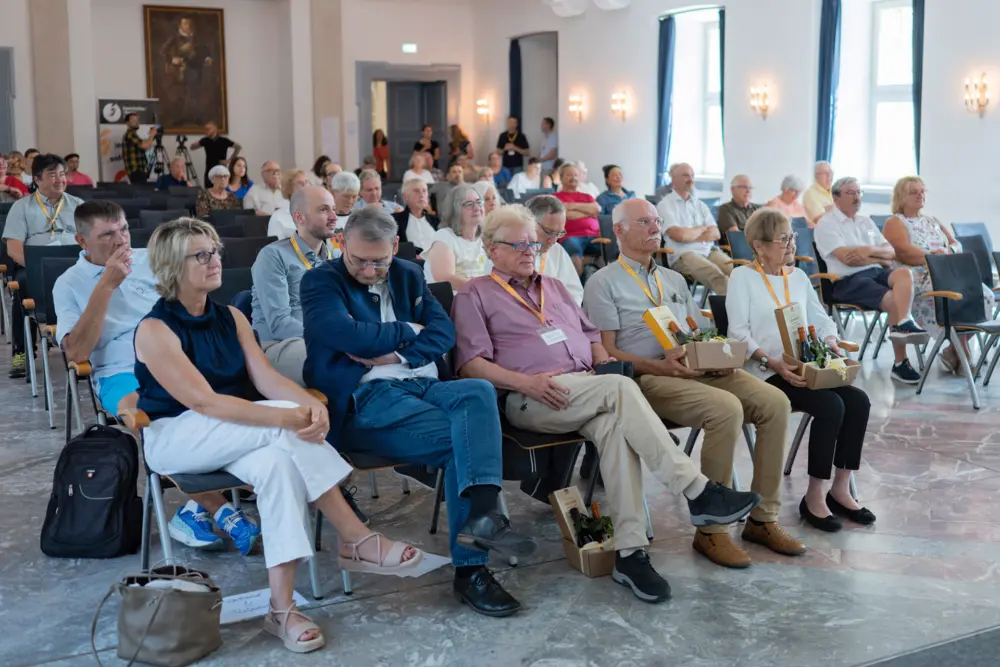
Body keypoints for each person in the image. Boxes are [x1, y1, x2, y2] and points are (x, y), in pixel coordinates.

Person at [136, 217, 421, 653]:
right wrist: (290, 417)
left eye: (215, 250)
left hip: (243, 432)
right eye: (202, 254)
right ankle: (356, 538)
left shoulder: (231, 317)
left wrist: (312, 407)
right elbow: (204, 404)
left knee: (278, 464)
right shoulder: (154, 329)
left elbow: (267, 379)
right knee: (282, 429)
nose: (215, 260)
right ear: (173, 266)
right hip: (176, 436)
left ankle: (281, 608)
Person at [455, 205, 763, 600]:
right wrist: (525, 383)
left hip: (586, 387)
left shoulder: (554, 287)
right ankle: (697, 491)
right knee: (619, 388)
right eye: (517, 244)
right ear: (491, 249)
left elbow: (592, 336)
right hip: (531, 397)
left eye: (532, 242)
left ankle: (630, 555)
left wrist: (601, 359)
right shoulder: (475, 293)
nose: (528, 250)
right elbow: (470, 364)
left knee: (616, 428)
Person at [300, 206, 537, 618]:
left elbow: (444, 332)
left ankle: (481, 513)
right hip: (366, 400)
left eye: (380, 261)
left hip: (425, 383)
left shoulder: (409, 273)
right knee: (467, 442)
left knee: (478, 390)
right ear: (342, 244)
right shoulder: (321, 280)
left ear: (395, 246)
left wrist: (393, 352)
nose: (370, 270)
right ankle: (471, 570)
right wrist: (410, 332)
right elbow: (342, 333)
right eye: (359, 260)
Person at [583, 198, 801, 568]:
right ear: (618, 230)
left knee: (775, 403)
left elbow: (695, 330)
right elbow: (606, 352)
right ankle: (711, 532)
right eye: (644, 222)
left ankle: (764, 519)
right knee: (725, 408)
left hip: (696, 368)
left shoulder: (674, 278)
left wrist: (718, 352)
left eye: (657, 221)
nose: (655, 228)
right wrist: (659, 366)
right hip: (647, 378)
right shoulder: (602, 282)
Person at [54, 201, 261, 552]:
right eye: (107, 235)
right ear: (82, 240)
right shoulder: (69, 284)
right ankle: (223, 510)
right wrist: (105, 286)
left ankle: (193, 509)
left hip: (180, 356)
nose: (120, 240)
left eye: (122, 229)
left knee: (231, 401)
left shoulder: (149, 259)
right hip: (119, 371)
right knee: (155, 422)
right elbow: (77, 354)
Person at [727, 208, 877, 533]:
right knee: (830, 406)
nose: (791, 243)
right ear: (759, 245)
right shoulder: (743, 278)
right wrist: (771, 361)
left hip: (804, 367)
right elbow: (737, 333)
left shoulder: (796, 277)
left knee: (859, 401)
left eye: (792, 236)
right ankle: (814, 497)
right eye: (783, 238)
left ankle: (840, 488)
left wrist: (831, 340)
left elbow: (820, 318)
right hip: (765, 372)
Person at [815, 177, 929, 384]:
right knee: (894, 298)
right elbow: (845, 258)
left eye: (859, 192)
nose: (857, 197)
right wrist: (878, 255)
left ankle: (903, 322)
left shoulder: (865, 221)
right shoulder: (826, 225)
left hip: (877, 272)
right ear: (836, 197)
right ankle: (900, 362)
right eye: (851, 193)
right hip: (848, 281)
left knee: (904, 274)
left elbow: (891, 252)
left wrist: (866, 251)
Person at [882, 176, 994, 374]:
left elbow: (956, 244)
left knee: (985, 295)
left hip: (947, 270)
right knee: (954, 297)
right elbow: (903, 252)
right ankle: (962, 353)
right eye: (914, 192)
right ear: (901, 196)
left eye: (923, 191)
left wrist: (946, 253)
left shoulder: (932, 220)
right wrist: (932, 256)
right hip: (918, 276)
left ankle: (954, 348)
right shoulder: (895, 222)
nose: (920, 195)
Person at [1, 154, 83, 377]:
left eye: (62, 174)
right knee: (22, 284)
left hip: (74, 265)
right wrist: (38, 267)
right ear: (37, 180)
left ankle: (86, 346)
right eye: (53, 175)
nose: (60, 179)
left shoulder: (78, 206)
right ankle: (22, 351)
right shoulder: (22, 208)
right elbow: (14, 249)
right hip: (35, 267)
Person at [254, 186, 339, 386]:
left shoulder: (334, 259)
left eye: (333, 209)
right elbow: (279, 324)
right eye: (324, 209)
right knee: (334, 358)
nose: (334, 216)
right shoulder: (273, 256)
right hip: (278, 345)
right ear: (299, 218)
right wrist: (334, 336)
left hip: (326, 340)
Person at [657, 163, 731, 295]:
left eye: (692, 175)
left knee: (737, 271)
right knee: (717, 276)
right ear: (674, 180)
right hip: (684, 255)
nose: (690, 178)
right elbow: (679, 236)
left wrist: (690, 234)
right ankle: (731, 314)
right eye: (685, 175)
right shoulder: (665, 205)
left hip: (709, 251)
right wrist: (702, 228)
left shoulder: (700, 205)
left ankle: (750, 310)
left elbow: (716, 233)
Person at [423, 184, 490, 290]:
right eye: (469, 204)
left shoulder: (485, 239)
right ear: (455, 210)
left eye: (478, 202)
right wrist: (484, 289)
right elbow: (445, 280)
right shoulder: (444, 237)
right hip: (449, 302)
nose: (477, 208)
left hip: (478, 298)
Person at [525, 195, 584, 304]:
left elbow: (574, 293)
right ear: (530, 221)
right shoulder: (508, 249)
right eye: (549, 232)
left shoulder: (557, 251)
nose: (553, 240)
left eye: (559, 233)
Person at [554, 162, 601, 276]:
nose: (574, 178)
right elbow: (565, 215)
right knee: (572, 246)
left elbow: (597, 210)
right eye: (569, 175)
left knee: (614, 245)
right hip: (571, 236)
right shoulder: (555, 198)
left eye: (576, 175)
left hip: (595, 236)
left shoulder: (587, 196)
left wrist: (570, 206)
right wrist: (588, 212)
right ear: (561, 178)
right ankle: (577, 290)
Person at [392, 178, 439, 252]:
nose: (422, 195)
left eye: (424, 191)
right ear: (405, 197)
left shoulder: (436, 220)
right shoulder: (395, 220)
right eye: (416, 191)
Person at [190, 122, 241, 189]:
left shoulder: (223, 140)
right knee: (208, 190)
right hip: (209, 170)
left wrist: (229, 160)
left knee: (221, 189)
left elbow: (238, 147)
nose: (206, 131)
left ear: (214, 129)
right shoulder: (205, 140)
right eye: (205, 129)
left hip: (221, 171)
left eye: (208, 129)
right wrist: (198, 143)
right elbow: (192, 147)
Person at [267, 170, 310, 240]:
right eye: (300, 183)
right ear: (288, 188)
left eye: (307, 182)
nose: (306, 186)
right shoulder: (278, 217)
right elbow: (274, 248)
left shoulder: (317, 211)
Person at [121, 114, 157, 184]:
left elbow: (143, 149)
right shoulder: (130, 134)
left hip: (139, 171)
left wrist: (151, 137)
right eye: (133, 120)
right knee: (141, 193)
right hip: (136, 171)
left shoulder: (134, 135)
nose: (137, 122)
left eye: (137, 120)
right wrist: (152, 135)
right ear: (127, 123)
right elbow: (144, 146)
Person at [803, 161, 835, 226]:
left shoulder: (836, 190)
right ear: (816, 176)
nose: (829, 176)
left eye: (831, 172)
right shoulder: (810, 193)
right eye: (825, 173)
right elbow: (820, 220)